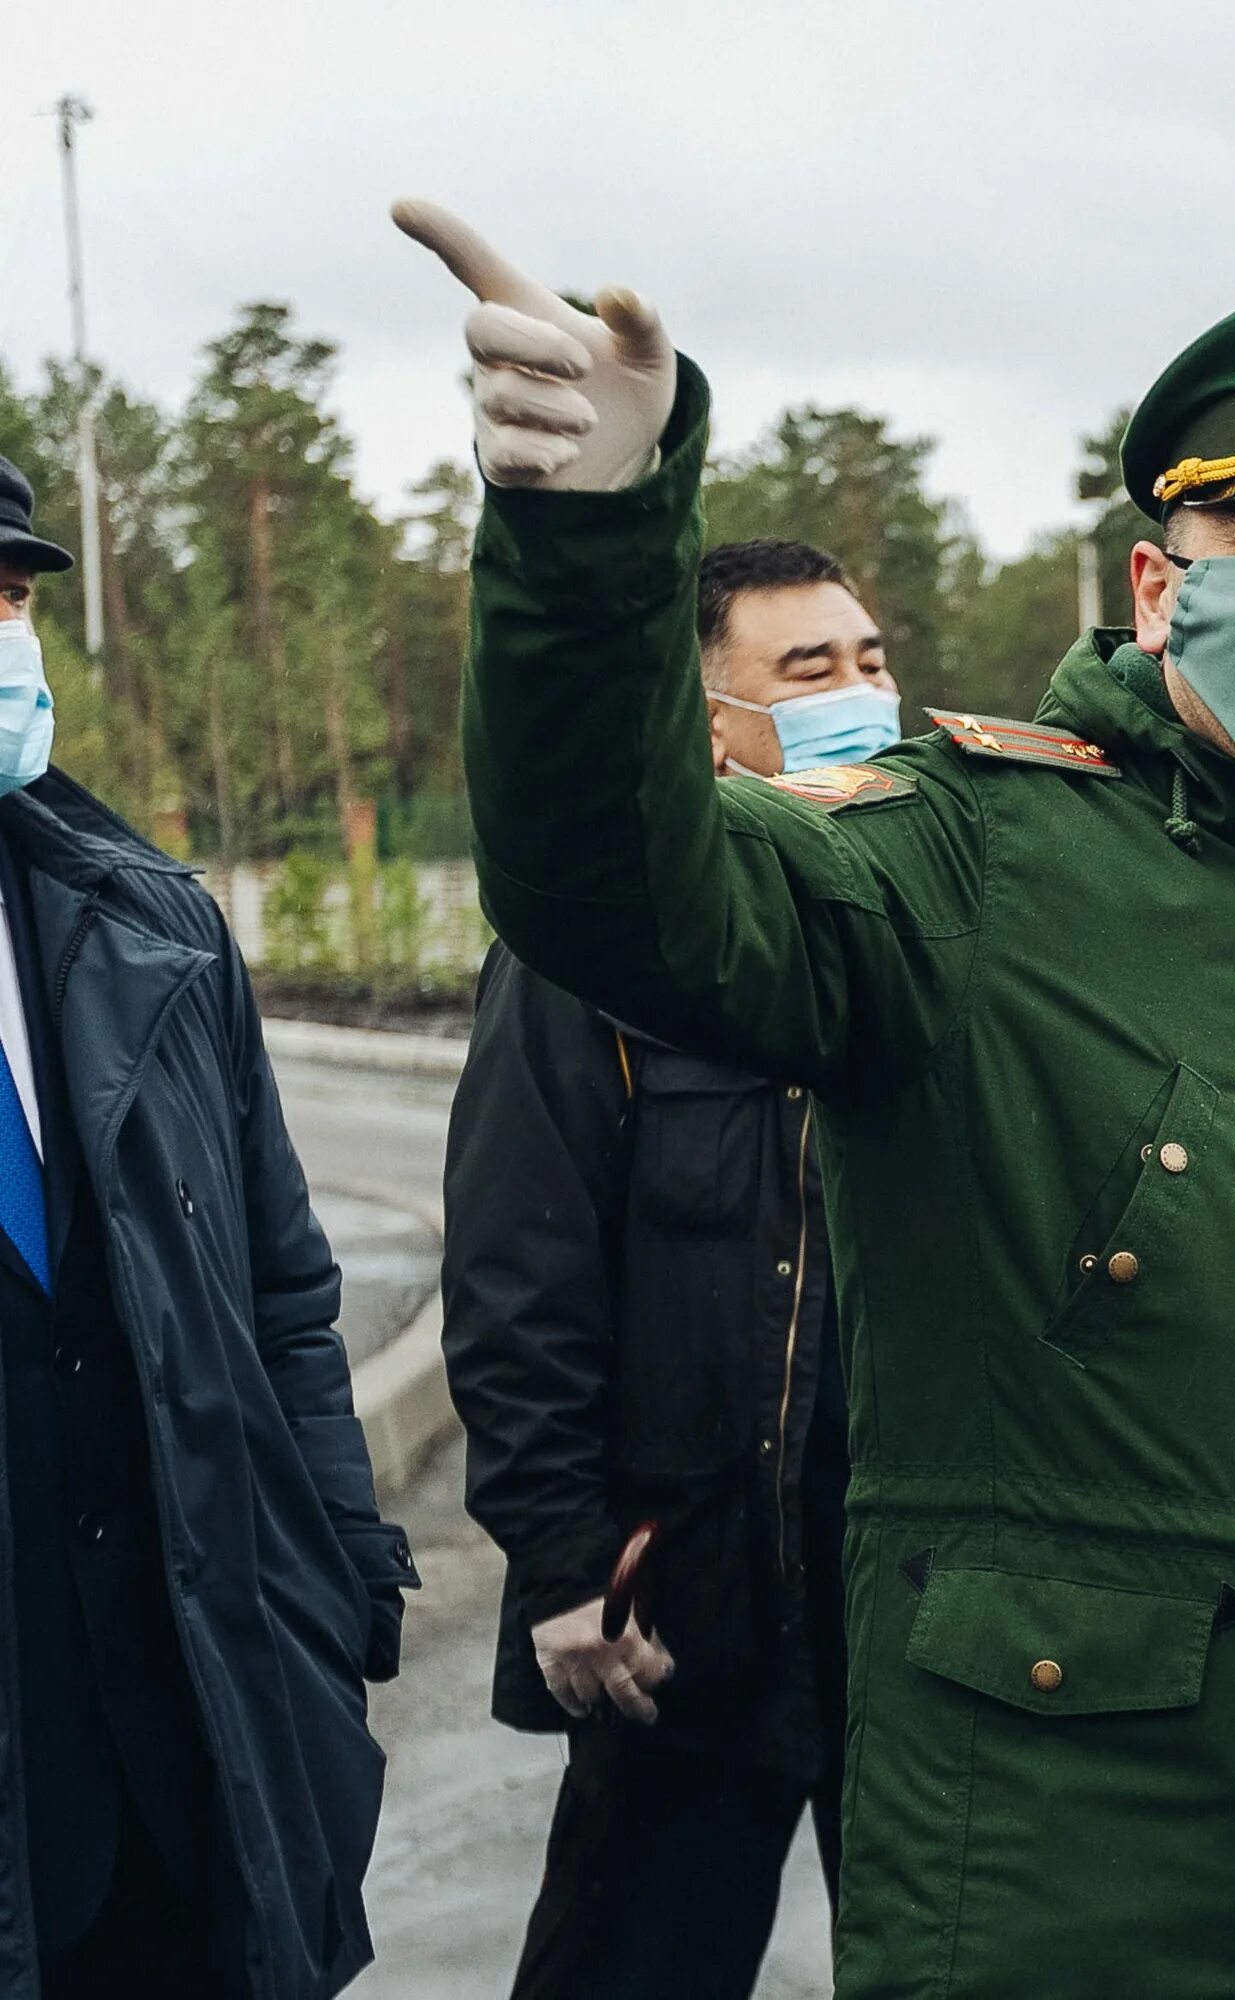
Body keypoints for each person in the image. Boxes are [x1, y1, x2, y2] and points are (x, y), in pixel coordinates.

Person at [397, 203, 1235, 2000]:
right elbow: (612, 889)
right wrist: (594, 546)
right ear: (1155, 583)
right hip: (1048, 1901)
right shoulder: (967, 856)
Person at [442, 538, 900, 2000]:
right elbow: (519, 1280)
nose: (860, 694)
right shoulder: (600, 946)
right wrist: (565, 1565)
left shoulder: (925, 925)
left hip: (910, 1608)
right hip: (687, 1612)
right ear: (715, 724)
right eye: (810, 671)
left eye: (873, 661)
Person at [0, 454, 416, 1996]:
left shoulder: (148, 928)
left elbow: (286, 1293)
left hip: (190, 1771)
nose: (4, 637)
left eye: (14, 598)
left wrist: (341, 1591)